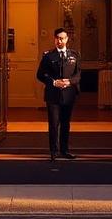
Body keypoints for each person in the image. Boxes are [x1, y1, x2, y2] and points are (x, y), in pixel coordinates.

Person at [35, 27, 80, 161]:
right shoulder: (48, 56)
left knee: (66, 123)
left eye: (62, 38)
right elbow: (40, 75)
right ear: (54, 39)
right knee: (54, 123)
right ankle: (54, 151)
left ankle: (64, 150)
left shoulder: (74, 55)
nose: (59, 41)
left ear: (67, 39)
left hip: (68, 94)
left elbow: (78, 75)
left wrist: (69, 82)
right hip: (53, 95)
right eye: (57, 38)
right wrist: (54, 82)